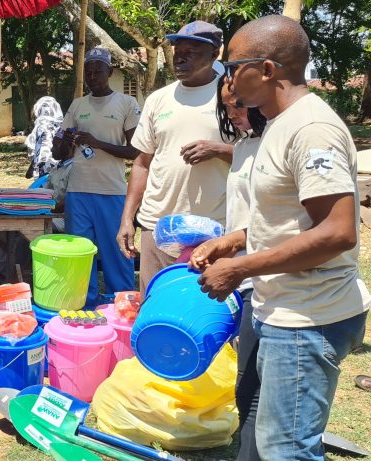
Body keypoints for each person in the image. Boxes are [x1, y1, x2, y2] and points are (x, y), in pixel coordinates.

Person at [192, 15, 370, 460]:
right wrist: (234, 241)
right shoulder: (279, 125)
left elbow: (337, 232)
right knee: (271, 438)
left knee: (286, 449)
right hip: (284, 306)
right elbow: (291, 219)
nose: (228, 78)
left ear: (267, 70)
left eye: (234, 67)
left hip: (308, 316)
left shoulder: (311, 129)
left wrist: (239, 268)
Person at [118, 20, 233, 293]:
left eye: (190, 52)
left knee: (202, 306)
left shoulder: (231, 97)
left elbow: (256, 156)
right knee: (154, 304)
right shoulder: (158, 99)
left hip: (212, 229)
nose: (179, 58)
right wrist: (127, 219)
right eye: (177, 51)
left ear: (214, 53)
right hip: (157, 226)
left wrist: (219, 149)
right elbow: (142, 163)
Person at [52, 48, 141, 308]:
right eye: (88, 72)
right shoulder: (77, 105)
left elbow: (136, 151)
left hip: (112, 191)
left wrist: (97, 143)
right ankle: (84, 304)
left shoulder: (126, 103)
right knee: (80, 253)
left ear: (109, 72)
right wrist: (66, 142)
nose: (92, 76)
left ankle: (121, 306)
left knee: (116, 252)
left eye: (98, 71)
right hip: (78, 192)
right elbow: (58, 154)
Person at [213, 74, 266, 461]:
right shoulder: (244, 145)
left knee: (260, 387)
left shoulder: (278, 143)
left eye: (240, 104)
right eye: (226, 106)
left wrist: (231, 246)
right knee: (246, 383)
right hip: (247, 278)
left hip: (273, 279)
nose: (233, 113)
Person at [25, 96, 64, 178]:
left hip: (45, 166)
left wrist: (32, 168)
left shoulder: (42, 124)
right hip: (61, 166)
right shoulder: (62, 125)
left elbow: (41, 146)